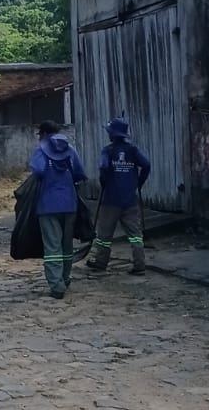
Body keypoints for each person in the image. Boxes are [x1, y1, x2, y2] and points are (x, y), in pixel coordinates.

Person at [88, 117, 151, 276]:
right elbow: (147, 165)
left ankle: (101, 263)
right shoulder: (133, 150)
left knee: (104, 234)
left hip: (111, 199)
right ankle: (140, 265)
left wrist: (104, 180)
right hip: (129, 199)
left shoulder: (107, 151)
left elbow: (103, 166)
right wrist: (138, 183)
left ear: (112, 135)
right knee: (135, 235)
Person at [30, 120, 85, 300]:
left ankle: (57, 286)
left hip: (47, 205)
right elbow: (79, 173)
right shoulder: (69, 148)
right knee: (66, 244)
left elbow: (37, 171)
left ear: (44, 133)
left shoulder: (41, 150)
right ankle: (65, 278)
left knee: (52, 246)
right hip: (70, 204)